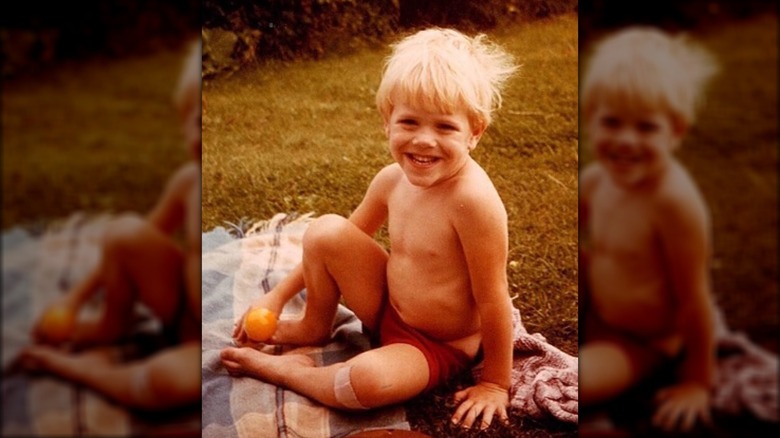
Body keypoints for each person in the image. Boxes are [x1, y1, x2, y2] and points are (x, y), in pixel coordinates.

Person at [220, 28, 517, 430]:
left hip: (437, 344)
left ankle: (286, 371)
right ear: (386, 122)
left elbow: (494, 298)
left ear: (475, 131)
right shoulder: (391, 180)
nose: (424, 140)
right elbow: (336, 242)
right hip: (386, 306)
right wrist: (275, 297)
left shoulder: (474, 203)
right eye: (409, 122)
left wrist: (496, 383)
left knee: (365, 383)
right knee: (325, 230)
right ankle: (315, 325)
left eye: (445, 127)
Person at [20, 39, 202, 411]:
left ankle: (78, 370)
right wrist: (75, 298)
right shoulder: (188, 182)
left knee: (167, 383)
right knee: (124, 232)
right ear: (183, 123)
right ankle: (112, 325)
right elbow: (140, 243)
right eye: (199, 122)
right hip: (180, 308)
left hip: (204, 339)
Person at [578, 27, 719, 432]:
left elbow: (694, 297)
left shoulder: (673, 203)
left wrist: (697, 382)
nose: (626, 140)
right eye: (612, 122)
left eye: (646, 128)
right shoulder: (595, 181)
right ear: (591, 120)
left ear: (676, 131)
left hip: (642, 340)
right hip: (599, 314)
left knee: (578, 382)